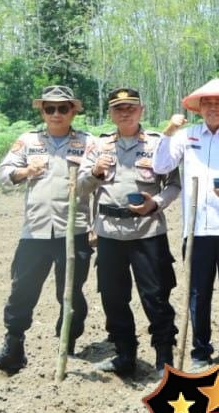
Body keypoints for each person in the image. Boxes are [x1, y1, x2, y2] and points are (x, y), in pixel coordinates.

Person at [152, 78, 219, 372]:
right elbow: (160, 166)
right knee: (198, 293)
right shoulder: (185, 137)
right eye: (207, 103)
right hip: (196, 230)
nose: (213, 107)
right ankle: (200, 351)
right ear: (199, 108)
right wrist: (168, 132)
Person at [78, 88, 182, 377]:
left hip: (147, 232)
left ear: (141, 111)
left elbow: (174, 184)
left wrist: (155, 203)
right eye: (118, 108)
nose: (125, 113)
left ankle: (164, 357)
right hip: (109, 233)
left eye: (131, 108)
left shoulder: (158, 144)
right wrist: (94, 173)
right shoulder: (98, 146)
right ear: (111, 113)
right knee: (113, 297)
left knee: (156, 296)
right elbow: (81, 188)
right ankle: (125, 354)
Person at [0, 86, 96, 373]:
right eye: (49, 108)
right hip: (35, 230)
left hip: (73, 231)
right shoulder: (29, 141)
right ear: (42, 112)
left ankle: (68, 345)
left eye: (62, 108)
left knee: (71, 293)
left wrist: (96, 225)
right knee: (22, 289)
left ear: (73, 111)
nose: (56, 114)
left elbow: (101, 184)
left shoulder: (88, 142)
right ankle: (14, 346)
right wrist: (26, 171)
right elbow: (4, 174)